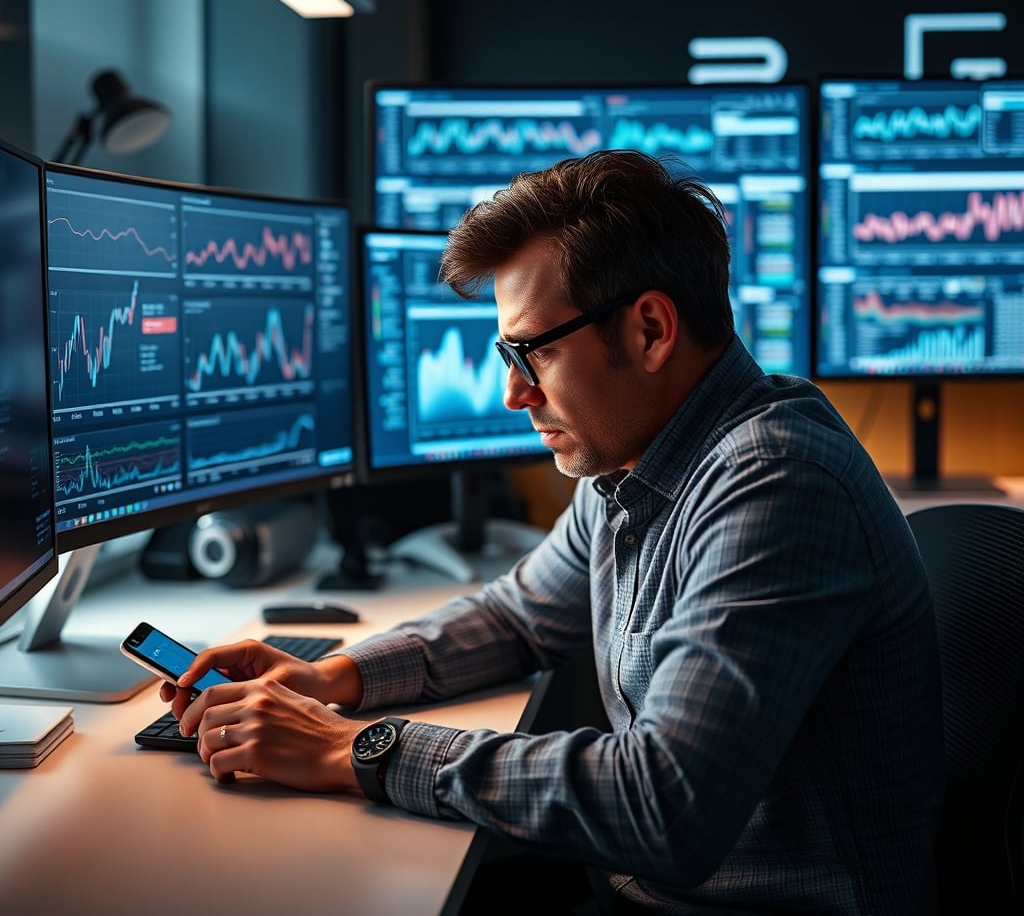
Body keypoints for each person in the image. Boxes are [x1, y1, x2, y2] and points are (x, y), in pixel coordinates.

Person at [164, 149, 945, 914]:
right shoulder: (638, 458)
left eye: (533, 351)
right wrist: (333, 679)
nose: (514, 393)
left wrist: (352, 748)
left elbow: (663, 804)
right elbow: (517, 616)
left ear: (649, 330)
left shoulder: (775, 482)